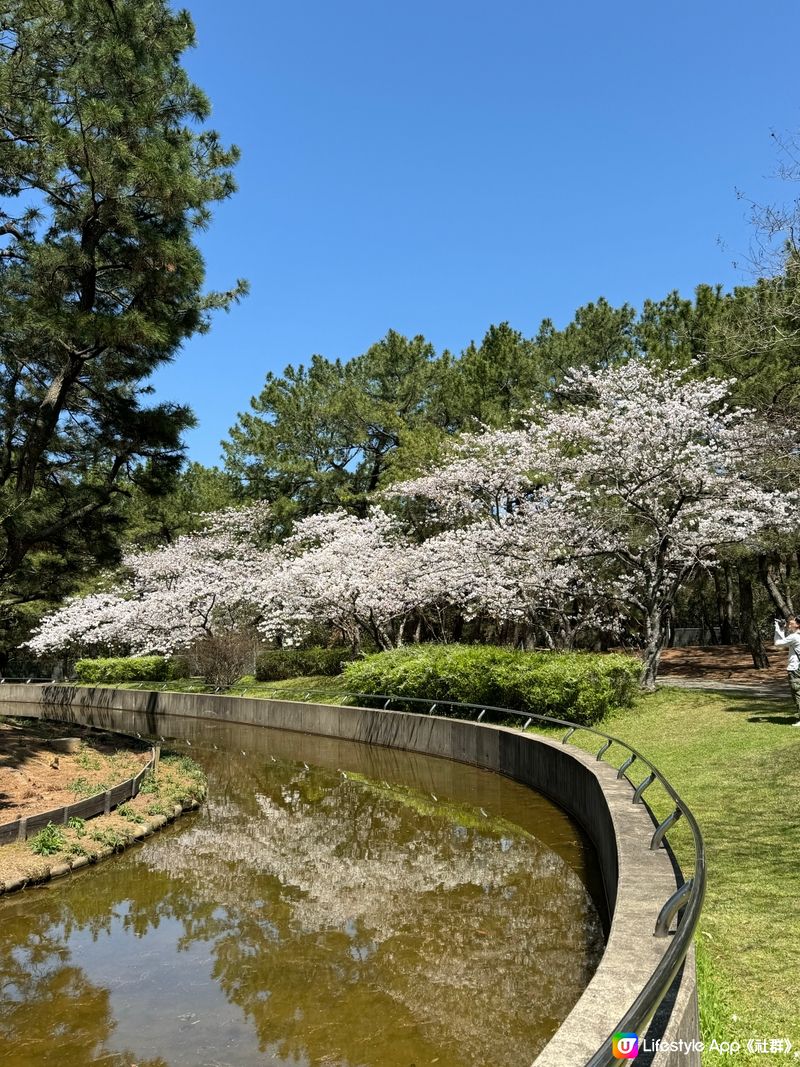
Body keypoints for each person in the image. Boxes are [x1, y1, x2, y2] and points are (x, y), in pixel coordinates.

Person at [773, 616, 800, 725]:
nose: (789, 624)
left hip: (795, 668)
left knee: (797, 693)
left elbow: (778, 644)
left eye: (791, 622)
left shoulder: (794, 637)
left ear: (798, 624)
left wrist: (778, 629)